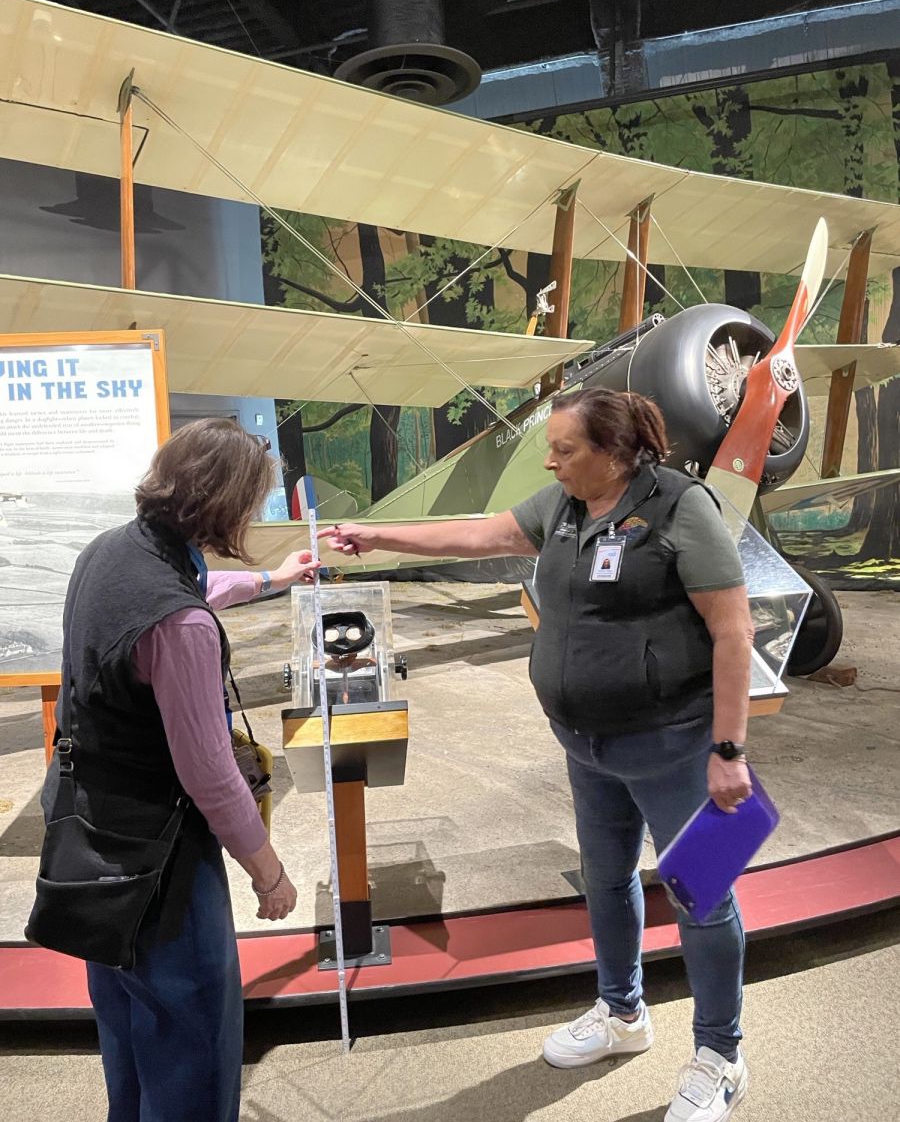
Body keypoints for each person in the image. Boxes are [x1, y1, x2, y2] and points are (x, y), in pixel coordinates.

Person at [323, 388, 754, 1122]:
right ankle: (622, 1016)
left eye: (564, 449)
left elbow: (734, 632)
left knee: (703, 896)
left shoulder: (684, 508)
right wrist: (379, 537)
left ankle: (721, 1055)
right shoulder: (563, 507)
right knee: (606, 880)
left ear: (616, 452)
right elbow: (481, 536)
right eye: (548, 447)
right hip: (587, 745)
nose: (549, 460)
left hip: (677, 744)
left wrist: (729, 749)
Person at [38, 418, 320, 1122]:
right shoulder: (182, 628)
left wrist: (270, 580)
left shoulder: (109, 551)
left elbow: (190, 588)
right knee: (195, 1047)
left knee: (129, 1032)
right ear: (227, 505)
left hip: (89, 838)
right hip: (161, 863)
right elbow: (211, 775)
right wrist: (271, 875)